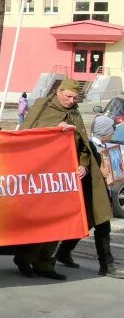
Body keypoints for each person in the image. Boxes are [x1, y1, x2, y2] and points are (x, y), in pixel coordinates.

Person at [23, 80, 124, 279]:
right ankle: (31, 258)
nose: (71, 101)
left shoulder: (75, 113)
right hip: (53, 175)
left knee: (101, 216)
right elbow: (27, 135)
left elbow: (83, 144)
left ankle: (106, 264)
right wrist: (54, 129)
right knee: (55, 221)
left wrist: (84, 165)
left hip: (81, 173)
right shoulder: (43, 107)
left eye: (75, 98)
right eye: (68, 96)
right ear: (59, 92)